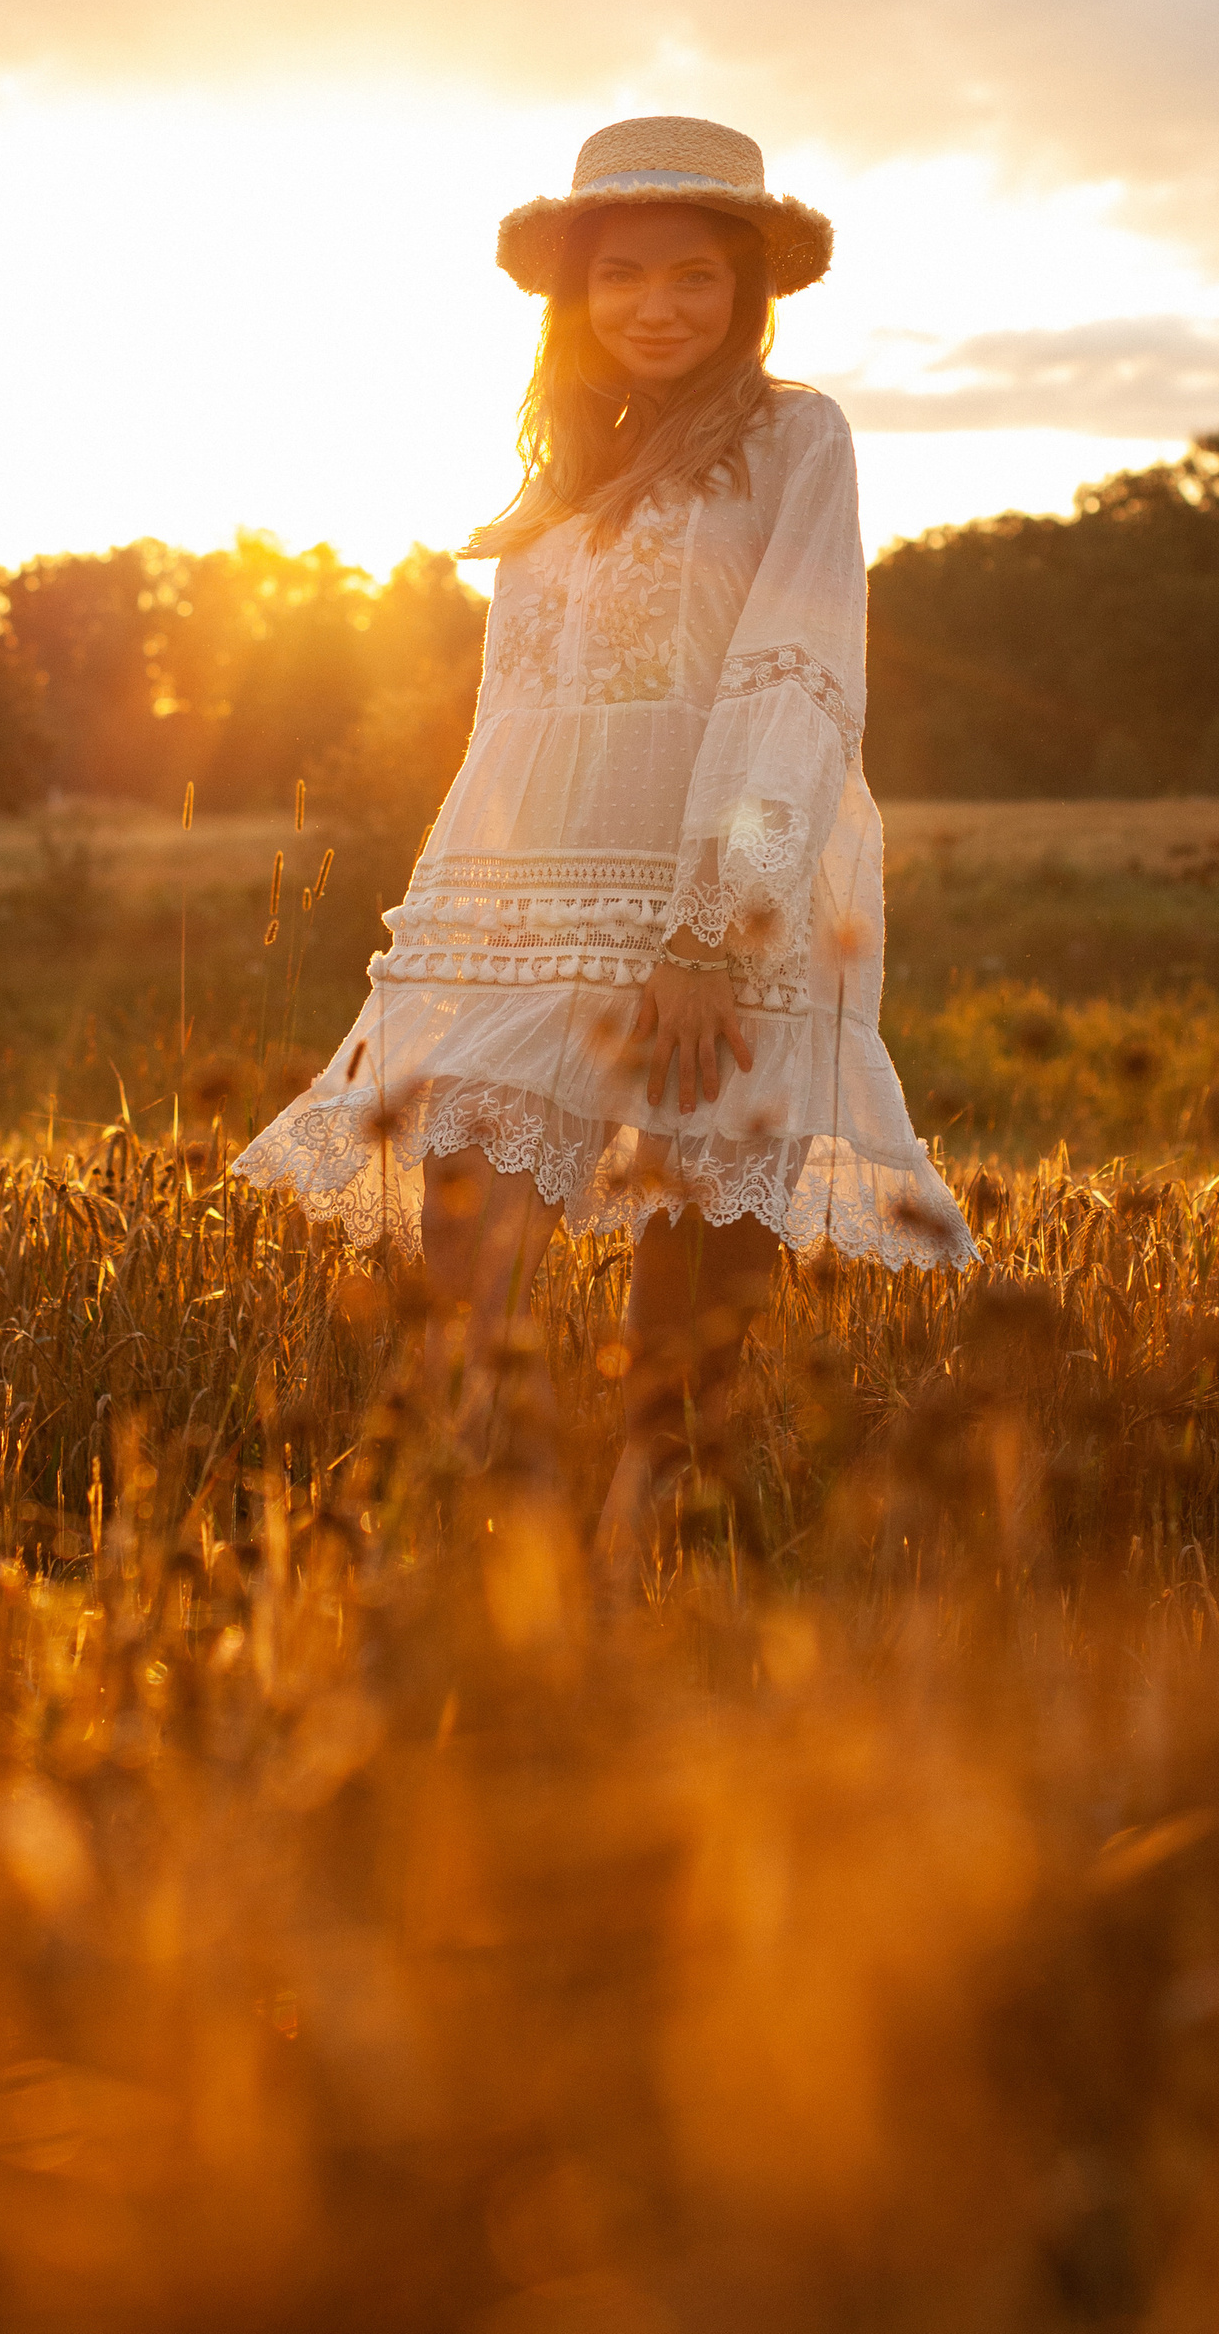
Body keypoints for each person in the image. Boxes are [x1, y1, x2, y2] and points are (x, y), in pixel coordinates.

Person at [235, 115, 972, 1567]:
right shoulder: (560, 471)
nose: (656, 305)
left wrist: (716, 930)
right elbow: (513, 716)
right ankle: (489, 1563)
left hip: (712, 907)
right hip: (520, 899)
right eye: (622, 273)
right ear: (576, 292)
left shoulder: (795, 438)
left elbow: (793, 686)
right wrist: (456, 916)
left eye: (694, 274)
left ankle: (639, 1568)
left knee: (696, 1287)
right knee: (465, 1256)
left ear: (746, 288)